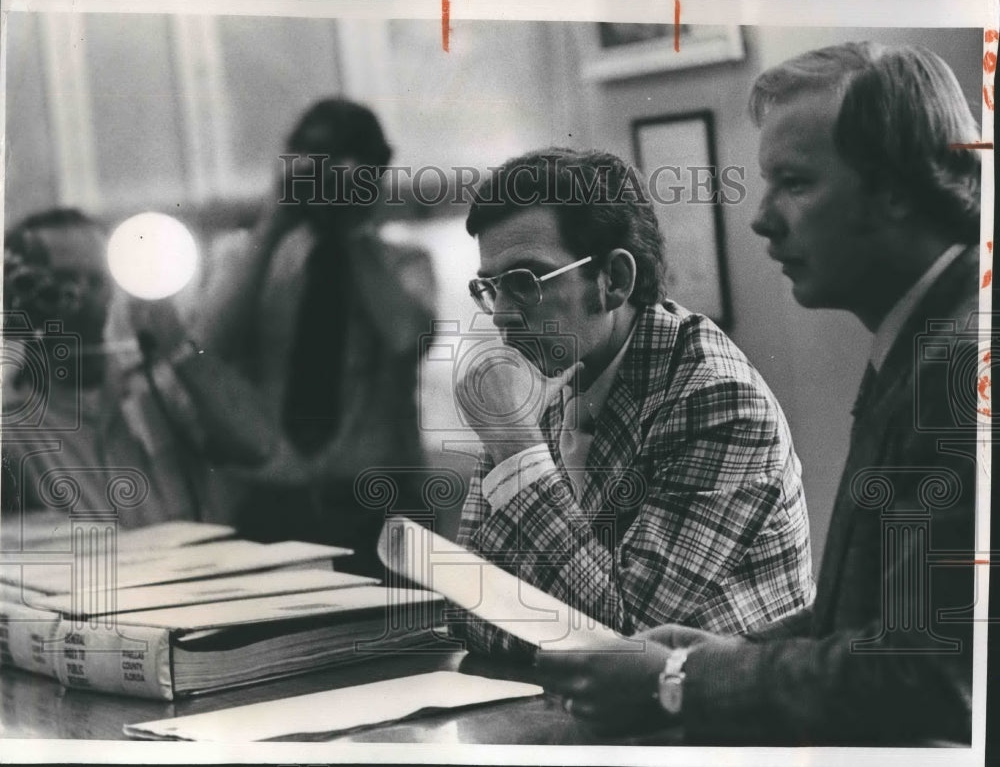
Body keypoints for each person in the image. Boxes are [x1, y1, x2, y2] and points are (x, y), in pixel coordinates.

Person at [535, 42, 981, 745]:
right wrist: (726, 655)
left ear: (897, 189)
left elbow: (926, 676)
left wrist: (676, 679)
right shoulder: (923, 340)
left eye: (795, 183)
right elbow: (869, 621)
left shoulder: (963, 364)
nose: (762, 218)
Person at [449, 147, 815, 657]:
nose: (501, 315)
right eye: (490, 288)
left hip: (714, 706)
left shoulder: (719, 401)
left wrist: (515, 447)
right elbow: (468, 610)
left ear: (615, 281)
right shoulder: (554, 377)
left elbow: (622, 644)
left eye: (524, 282)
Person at [189, 98, 437, 578]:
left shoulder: (405, 263)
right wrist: (273, 222)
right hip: (272, 495)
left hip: (380, 500)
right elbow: (206, 350)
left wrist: (350, 230)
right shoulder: (247, 259)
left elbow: (407, 339)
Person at [2, 208, 274, 529]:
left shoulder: (158, 386)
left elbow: (259, 446)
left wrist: (180, 349)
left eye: (96, 280)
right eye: (62, 281)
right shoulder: (11, 420)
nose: (84, 296)